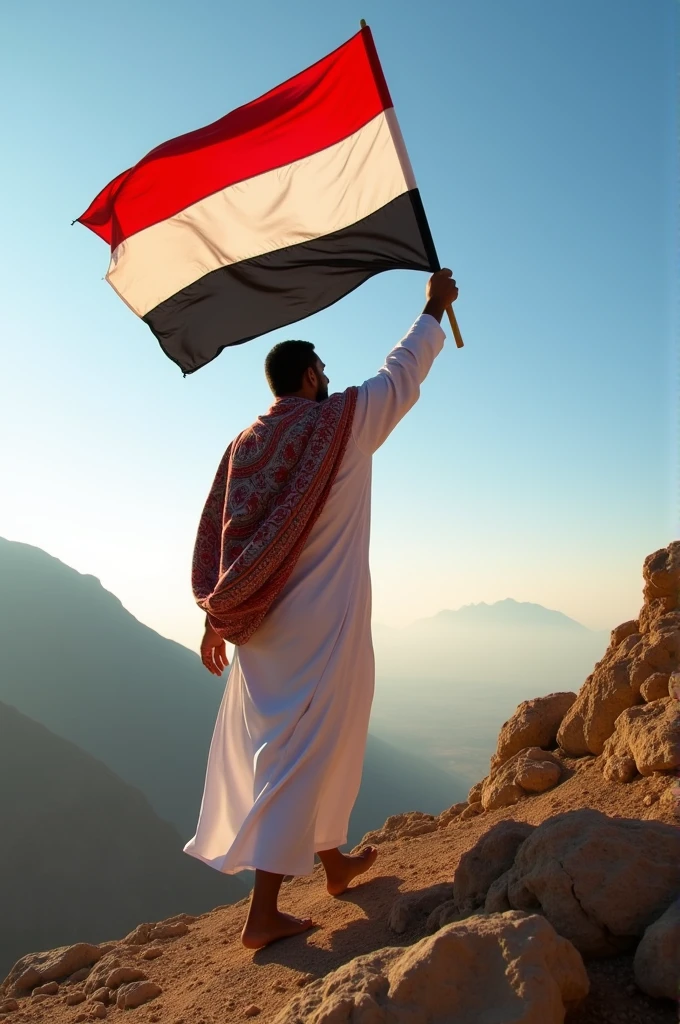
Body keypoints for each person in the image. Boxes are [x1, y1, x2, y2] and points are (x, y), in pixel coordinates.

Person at [184, 269, 459, 950]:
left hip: (262, 630)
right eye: (323, 368)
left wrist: (217, 618)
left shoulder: (245, 444)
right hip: (320, 620)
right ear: (307, 376)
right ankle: (264, 913)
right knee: (298, 754)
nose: (329, 378)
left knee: (321, 737)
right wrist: (432, 310)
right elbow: (400, 375)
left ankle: (334, 863)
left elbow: (227, 536)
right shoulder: (341, 424)